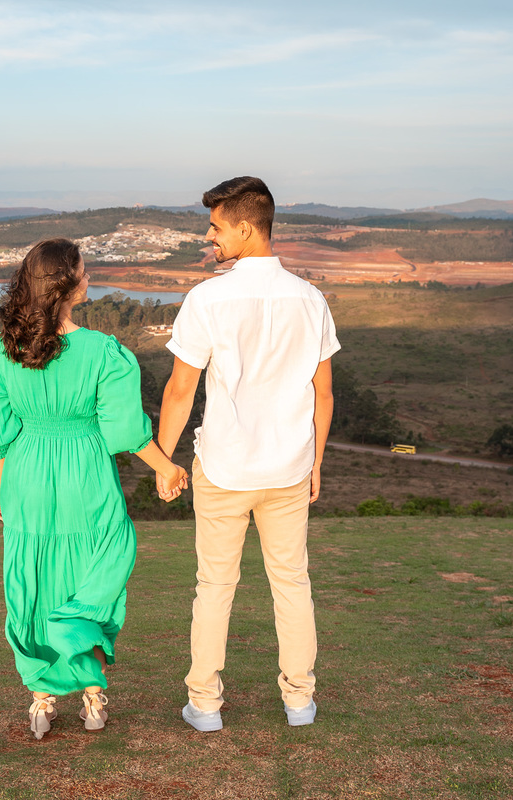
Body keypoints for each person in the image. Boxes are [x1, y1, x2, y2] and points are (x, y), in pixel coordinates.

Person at [0, 237, 188, 740]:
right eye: (86, 271)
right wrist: (167, 467)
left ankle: (42, 699)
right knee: (98, 567)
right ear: (70, 286)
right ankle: (93, 695)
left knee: (33, 580)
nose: (90, 277)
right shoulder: (102, 352)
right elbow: (123, 429)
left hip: (28, 474)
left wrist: (2, 485)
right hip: (86, 473)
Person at [156, 176, 340, 731]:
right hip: (288, 468)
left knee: (215, 585)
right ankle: (299, 702)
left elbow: (181, 390)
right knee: (292, 583)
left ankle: (206, 706)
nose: (208, 236)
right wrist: (317, 463)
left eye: (215, 226)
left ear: (244, 227)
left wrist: (164, 462)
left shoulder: (207, 298)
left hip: (225, 468)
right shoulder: (310, 298)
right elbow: (324, 393)